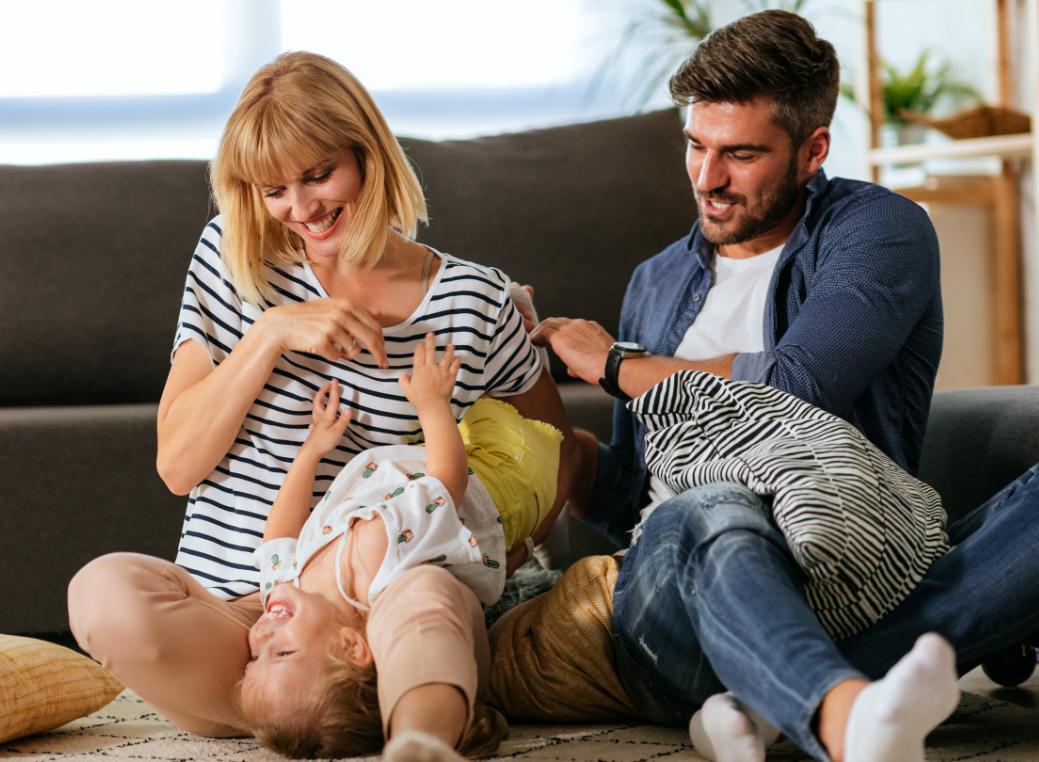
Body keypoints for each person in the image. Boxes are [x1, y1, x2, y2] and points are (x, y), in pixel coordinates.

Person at [526, 10, 1038, 762]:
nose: (707, 178)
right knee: (713, 504)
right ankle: (840, 714)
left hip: (856, 569)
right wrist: (561, 451)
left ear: (812, 150)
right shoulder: (655, 283)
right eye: (695, 147)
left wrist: (616, 365)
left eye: (739, 154)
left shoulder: (876, 230)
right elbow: (636, 496)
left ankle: (761, 697)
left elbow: (799, 384)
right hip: (680, 599)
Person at [68, 50, 580, 754]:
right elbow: (178, 467)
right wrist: (272, 333)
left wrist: (485, 554)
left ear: (368, 154)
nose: (301, 210)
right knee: (103, 594)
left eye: (318, 175)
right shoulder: (232, 256)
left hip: (386, 601)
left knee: (425, 604)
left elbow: (552, 454)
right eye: (273, 189)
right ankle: (343, 708)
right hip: (244, 620)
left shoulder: (475, 299)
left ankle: (409, 724)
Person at [240, 334, 561, 759]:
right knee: (483, 400)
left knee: (453, 402)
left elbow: (278, 534)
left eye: (253, 658)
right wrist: (433, 405)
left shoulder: (282, 588)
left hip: (415, 468)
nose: (261, 634)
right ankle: (526, 335)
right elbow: (448, 481)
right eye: (280, 651)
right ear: (351, 646)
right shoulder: (373, 558)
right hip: (503, 477)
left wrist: (312, 450)